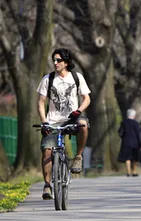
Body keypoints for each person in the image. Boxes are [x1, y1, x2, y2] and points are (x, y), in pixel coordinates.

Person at [36, 48, 91, 200]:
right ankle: (47, 185)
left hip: (72, 118)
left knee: (84, 126)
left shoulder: (76, 77)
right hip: (53, 121)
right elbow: (41, 103)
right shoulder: (48, 79)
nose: (55, 63)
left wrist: (78, 111)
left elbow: (87, 98)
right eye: (54, 60)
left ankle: (78, 157)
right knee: (47, 150)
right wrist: (44, 122)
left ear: (66, 62)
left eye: (58, 60)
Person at [117, 109, 141, 177]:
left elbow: (120, 132)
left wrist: (123, 137)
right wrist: (140, 144)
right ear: (134, 115)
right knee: (134, 157)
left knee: (127, 158)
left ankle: (128, 171)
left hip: (126, 142)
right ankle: (133, 171)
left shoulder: (123, 122)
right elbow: (138, 134)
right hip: (135, 143)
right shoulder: (136, 123)